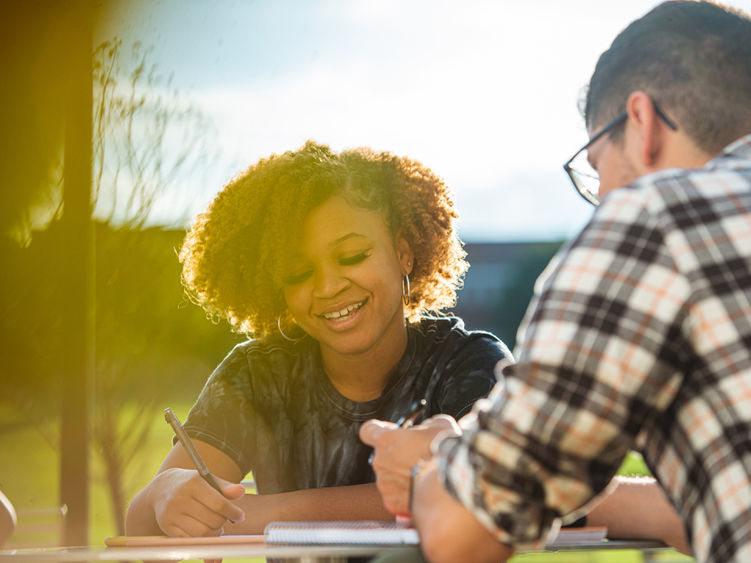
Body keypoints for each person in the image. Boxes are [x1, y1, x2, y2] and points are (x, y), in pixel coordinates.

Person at [360, 1, 751, 562]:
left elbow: (464, 532)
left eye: (596, 168)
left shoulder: (653, 219)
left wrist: (432, 461)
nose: (604, 198)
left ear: (640, 122)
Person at [125, 141, 511, 537]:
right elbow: (140, 525)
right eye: (298, 273)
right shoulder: (258, 376)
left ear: (403, 253)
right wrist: (162, 495)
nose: (327, 287)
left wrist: (267, 512)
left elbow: (483, 485)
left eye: (352, 256)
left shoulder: (471, 363)